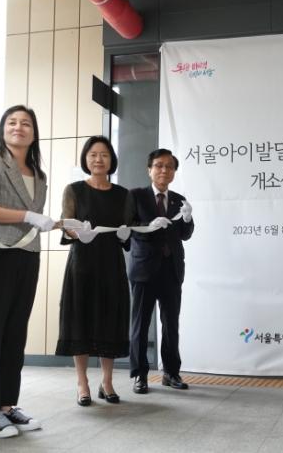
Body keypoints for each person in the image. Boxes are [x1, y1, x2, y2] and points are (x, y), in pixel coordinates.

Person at [0, 105, 57, 438]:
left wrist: (56, 223)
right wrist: (28, 216)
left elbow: (35, 219)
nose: (18, 127)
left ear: (34, 133)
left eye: (26, 123)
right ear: (3, 128)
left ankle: (7, 406)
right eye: (12, 122)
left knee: (16, 333)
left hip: (27, 255)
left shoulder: (39, 174)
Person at [56, 136, 134, 406]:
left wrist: (125, 234)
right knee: (80, 320)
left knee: (109, 321)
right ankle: (82, 383)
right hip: (82, 264)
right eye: (93, 154)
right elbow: (66, 224)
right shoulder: (74, 190)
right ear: (85, 159)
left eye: (104, 154)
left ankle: (107, 382)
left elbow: (128, 230)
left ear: (112, 160)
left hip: (111, 264)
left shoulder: (123, 194)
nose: (98, 159)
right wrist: (77, 233)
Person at [129, 149, 194, 394]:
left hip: (171, 270)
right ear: (149, 170)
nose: (164, 170)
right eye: (159, 165)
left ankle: (171, 372)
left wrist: (187, 219)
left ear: (174, 172)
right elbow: (127, 226)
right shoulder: (136, 196)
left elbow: (185, 235)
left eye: (169, 166)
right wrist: (149, 226)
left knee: (170, 324)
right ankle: (140, 375)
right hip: (144, 269)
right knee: (140, 324)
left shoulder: (178, 199)